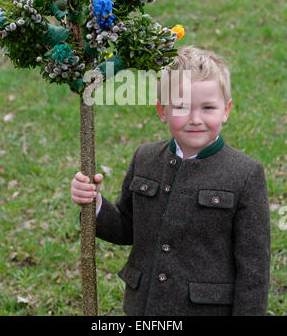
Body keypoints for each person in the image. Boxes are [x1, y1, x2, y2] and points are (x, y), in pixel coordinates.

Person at [71, 46, 271, 316]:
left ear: (226, 110)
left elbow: (254, 269)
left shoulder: (245, 174)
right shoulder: (145, 158)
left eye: (208, 107)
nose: (195, 119)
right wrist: (94, 204)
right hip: (144, 309)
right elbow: (127, 227)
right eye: (181, 107)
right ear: (162, 110)